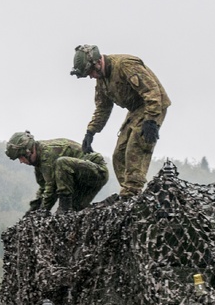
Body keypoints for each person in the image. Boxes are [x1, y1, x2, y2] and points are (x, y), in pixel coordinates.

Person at [70, 44, 171, 199]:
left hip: (152, 105)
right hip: (135, 110)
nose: (90, 76)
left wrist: (151, 120)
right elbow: (102, 109)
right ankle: (129, 192)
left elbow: (152, 92)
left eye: (90, 72)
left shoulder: (125, 65)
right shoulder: (102, 81)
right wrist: (90, 131)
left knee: (135, 146)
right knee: (119, 154)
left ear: (97, 63)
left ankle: (132, 191)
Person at [5, 131, 109, 214]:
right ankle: (104, 207)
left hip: (97, 171)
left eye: (21, 157)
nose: (21, 161)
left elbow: (51, 189)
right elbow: (44, 188)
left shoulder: (47, 154)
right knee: (76, 212)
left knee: (62, 163)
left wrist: (43, 211)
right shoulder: (39, 162)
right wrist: (32, 212)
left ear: (28, 151)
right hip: (81, 180)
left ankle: (65, 207)